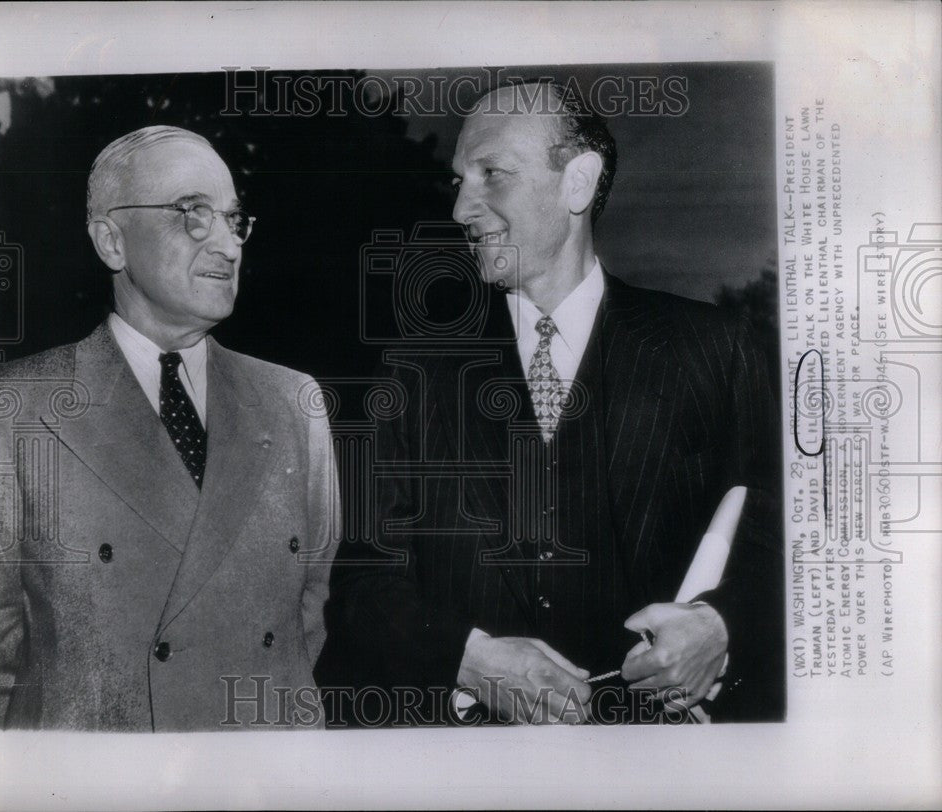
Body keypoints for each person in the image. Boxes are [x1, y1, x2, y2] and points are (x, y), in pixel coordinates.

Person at [318, 82, 783, 725]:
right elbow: (362, 591)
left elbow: (791, 542)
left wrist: (720, 626)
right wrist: (467, 660)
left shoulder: (715, 351)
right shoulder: (412, 373)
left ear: (578, 183)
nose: (461, 209)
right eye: (459, 181)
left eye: (492, 175)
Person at [0, 125, 339, 731]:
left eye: (234, 220)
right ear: (111, 242)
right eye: (191, 214)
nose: (227, 244)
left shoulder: (293, 401)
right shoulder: (13, 408)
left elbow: (307, 617)